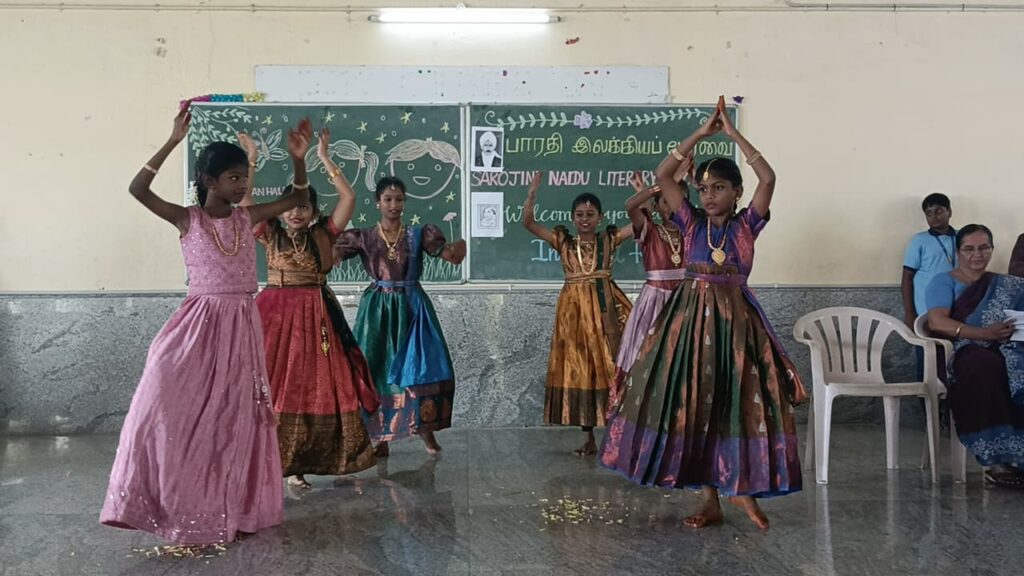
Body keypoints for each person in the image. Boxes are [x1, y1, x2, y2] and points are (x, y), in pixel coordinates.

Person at [101, 109, 312, 544]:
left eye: (243, 178)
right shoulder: (187, 219)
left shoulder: (246, 217)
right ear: (209, 180)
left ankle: (233, 507)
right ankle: (164, 500)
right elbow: (137, 189)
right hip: (197, 327)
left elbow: (297, 199)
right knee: (158, 406)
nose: (242, 185)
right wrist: (172, 141)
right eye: (233, 178)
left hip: (241, 327)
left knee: (234, 420)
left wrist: (298, 159)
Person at [600, 98, 804, 530]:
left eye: (719, 188)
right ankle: (711, 500)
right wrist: (698, 134)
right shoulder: (690, 223)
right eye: (704, 189)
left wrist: (732, 134)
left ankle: (741, 488)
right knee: (695, 403)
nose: (709, 196)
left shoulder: (747, 225)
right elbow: (662, 176)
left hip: (737, 327)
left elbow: (768, 177)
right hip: (689, 325)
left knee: (736, 402)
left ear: (737, 193)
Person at [241, 127, 380, 489]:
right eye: (290, 206)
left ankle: (310, 460)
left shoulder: (324, 234)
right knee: (273, 387)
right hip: (274, 317)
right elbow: (245, 204)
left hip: (317, 318)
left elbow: (349, 196)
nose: (296, 212)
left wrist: (324, 157)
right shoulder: (269, 233)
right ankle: (275, 464)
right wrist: (252, 160)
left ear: (315, 212)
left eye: (303, 206)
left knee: (317, 385)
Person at [334, 177, 467, 456]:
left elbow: (450, 255)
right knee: (376, 369)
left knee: (418, 369)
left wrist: (460, 247)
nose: (394, 205)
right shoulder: (364, 237)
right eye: (388, 199)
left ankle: (425, 431)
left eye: (399, 199)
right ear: (377, 203)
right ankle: (380, 438)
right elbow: (331, 256)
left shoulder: (419, 234)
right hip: (377, 311)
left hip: (412, 308)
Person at [523, 171, 634, 456]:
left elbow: (639, 225)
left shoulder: (608, 240)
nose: (585, 219)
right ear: (573, 218)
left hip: (605, 310)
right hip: (573, 315)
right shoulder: (563, 242)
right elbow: (528, 223)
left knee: (612, 366)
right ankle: (589, 438)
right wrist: (532, 195)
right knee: (582, 369)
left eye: (591, 214)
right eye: (580, 214)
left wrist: (644, 194)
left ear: (600, 217)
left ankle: (622, 434)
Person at [925, 224, 1024, 487]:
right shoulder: (943, 281)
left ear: (992, 249)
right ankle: (997, 461)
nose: (977, 254)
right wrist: (984, 334)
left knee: (1016, 368)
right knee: (986, 367)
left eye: (983, 248)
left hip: (1008, 348)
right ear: (958, 251)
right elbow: (937, 322)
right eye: (969, 249)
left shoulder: (1009, 285)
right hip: (965, 351)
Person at [608, 161, 692, 415]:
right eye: (665, 201)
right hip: (654, 303)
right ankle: (645, 415)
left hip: (686, 301)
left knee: (683, 359)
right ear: (656, 206)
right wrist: (663, 185)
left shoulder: (694, 231)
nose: (672, 206)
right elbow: (630, 205)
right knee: (648, 357)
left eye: (677, 200)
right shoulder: (650, 231)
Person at [902, 193, 957, 328]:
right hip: (926, 307)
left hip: (956, 303)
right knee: (929, 339)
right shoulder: (919, 241)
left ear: (949, 212)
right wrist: (909, 313)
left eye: (939, 211)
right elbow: (907, 277)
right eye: (929, 213)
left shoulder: (961, 237)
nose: (934, 216)